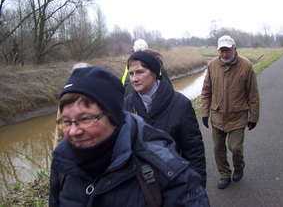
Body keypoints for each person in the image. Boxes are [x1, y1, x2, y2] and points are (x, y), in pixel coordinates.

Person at [49, 66, 210, 206]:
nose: (72, 131)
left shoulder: (168, 174)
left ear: (113, 116)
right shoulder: (62, 162)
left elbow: (193, 147)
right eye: (66, 121)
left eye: (85, 119)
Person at [123, 49, 207, 187]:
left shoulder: (181, 104)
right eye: (131, 73)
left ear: (155, 73)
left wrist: (197, 188)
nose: (134, 78)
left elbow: (194, 152)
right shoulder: (126, 104)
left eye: (140, 72)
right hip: (139, 187)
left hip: (173, 184)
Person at [201, 35, 260, 189]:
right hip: (218, 116)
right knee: (218, 148)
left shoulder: (246, 66)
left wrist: (253, 117)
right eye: (222, 51)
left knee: (235, 147)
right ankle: (225, 174)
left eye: (228, 51)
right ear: (218, 50)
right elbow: (206, 91)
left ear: (235, 49)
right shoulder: (212, 65)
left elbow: (253, 94)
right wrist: (205, 113)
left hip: (238, 116)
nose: (225, 54)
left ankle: (239, 166)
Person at [53, 62, 92, 149]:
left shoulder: (98, 98)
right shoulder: (65, 100)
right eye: (76, 76)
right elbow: (59, 131)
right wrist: (56, 154)